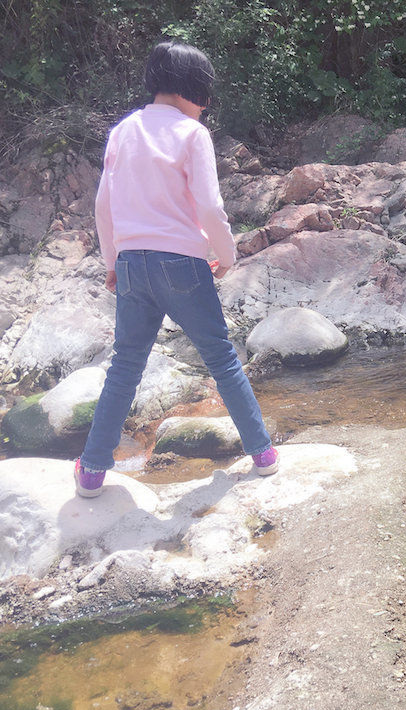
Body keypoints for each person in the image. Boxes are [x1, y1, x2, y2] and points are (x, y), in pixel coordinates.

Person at [74, 41, 277, 498]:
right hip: (182, 263)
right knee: (222, 358)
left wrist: (113, 262)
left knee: (124, 367)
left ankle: (91, 473)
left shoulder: (123, 131)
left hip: (130, 263)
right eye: (205, 92)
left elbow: (103, 206)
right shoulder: (191, 134)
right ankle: (262, 454)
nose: (206, 104)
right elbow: (208, 205)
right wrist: (226, 256)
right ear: (192, 88)